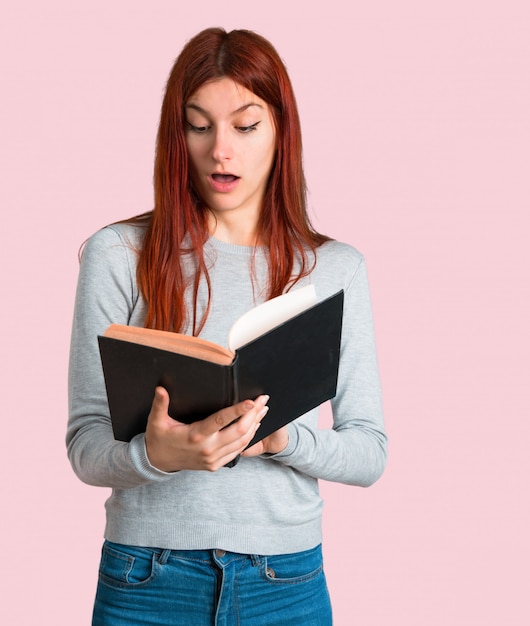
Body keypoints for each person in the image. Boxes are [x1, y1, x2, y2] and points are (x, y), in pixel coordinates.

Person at [67, 27, 387, 626]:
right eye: (198, 125)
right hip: (146, 577)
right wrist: (156, 455)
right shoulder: (118, 254)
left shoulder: (337, 268)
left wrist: (279, 439)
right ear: (176, 134)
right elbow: (85, 446)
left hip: (284, 580)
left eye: (245, 126)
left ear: (280, 130)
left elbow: (369, 451)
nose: (221, 150)